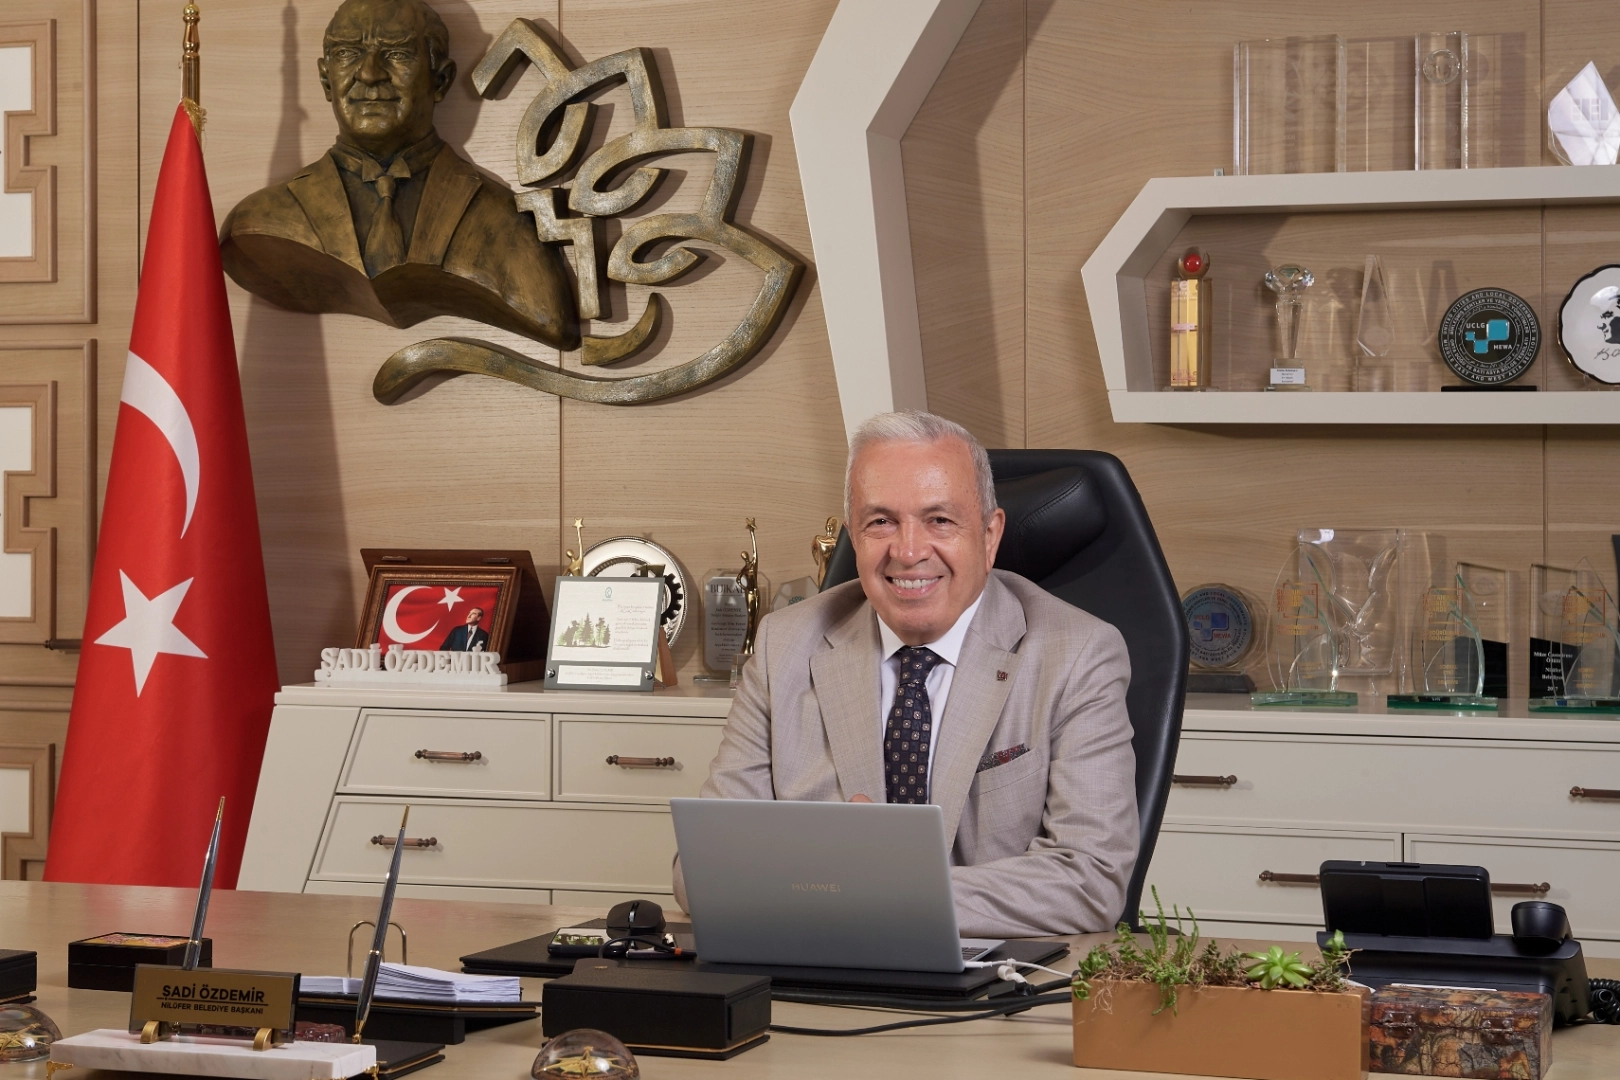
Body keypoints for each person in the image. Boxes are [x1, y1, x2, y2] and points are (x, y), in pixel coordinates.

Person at [675, 411, 1138, 937]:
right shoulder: (784, 646)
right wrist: (856, 894)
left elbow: (1090, 879)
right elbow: (701, 868)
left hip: (995, 973)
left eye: (939, 520)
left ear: (989, 536)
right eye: (881, 522)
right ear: (853, 536)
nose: (909, 551)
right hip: (818, 961)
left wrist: (874, 891)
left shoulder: (1078, 655)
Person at [219, 0, 577, 350]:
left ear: (441, 80)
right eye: (347, 53)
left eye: (398, 53)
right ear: (326, 80)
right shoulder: (262, 221)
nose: (369, 74)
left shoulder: (506, 225)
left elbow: (547, 316)